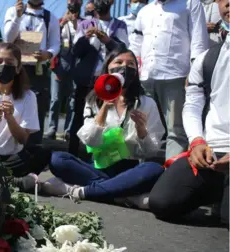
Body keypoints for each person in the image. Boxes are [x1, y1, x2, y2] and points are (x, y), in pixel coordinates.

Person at [48, 48, 165, 209]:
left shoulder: (146, 103)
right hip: (97, 167)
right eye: (118, 62)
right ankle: (123, 194)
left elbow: (150, 151)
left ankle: (82, 191)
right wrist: (103, 110)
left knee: (154, 169)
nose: (124, 67)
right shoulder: (94, 99)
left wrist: (141, 129)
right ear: (107, 68)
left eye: (131, 64)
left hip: (128, 171)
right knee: (58, 159)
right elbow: (90, 141)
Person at [149, 0, 229, 225]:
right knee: (162, 202)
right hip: (211, 153)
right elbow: (193, 104)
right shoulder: (207, 58)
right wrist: (196, 141)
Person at [129, 0, 209, 160]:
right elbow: (135, 44)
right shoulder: (145, 11)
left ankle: (171, 175)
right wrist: (133, 72)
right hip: (146, 78)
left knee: (176, 131)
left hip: (176, 76)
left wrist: (195, 73)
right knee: (144, 127)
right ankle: (144, 173)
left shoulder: (190, 4)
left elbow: (199, 40)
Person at [0, 42, 52, 192]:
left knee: (43, 153)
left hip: (13, 158)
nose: (3, 66)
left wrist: (10, 118)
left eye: (9, 63)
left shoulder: (29, 96)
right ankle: (11, 181)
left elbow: (23, 139)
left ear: (18, 68)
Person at [68, 0, 128, 157]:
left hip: (107, 81)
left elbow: (123, 50)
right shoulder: (85, 24)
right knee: (79, 116)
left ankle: (98, 157)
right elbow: (75, 51)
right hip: (86, 80)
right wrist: (85, 38)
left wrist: (107, 40)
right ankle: (73, 154)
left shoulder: (119, 25)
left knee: (104, 118)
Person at [3, 0, 61, 145]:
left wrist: (47, 54)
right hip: (16, 68)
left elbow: (55, 43)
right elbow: (8, 38)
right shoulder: (13, 11)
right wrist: (17, 16)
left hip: (37, 69)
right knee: (13, 104)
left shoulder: (50, 17)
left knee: (37, 107)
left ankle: (34, 148)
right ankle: (8, 144)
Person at [44, 0, 83, 141]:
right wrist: (63, 23)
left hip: (76, 66)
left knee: (72, 100)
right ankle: (52, 128)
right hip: (59, 64)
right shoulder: (58, 21)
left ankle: (68, 130)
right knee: (55, 98)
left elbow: (85, 40)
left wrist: (75, 24)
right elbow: (50, 39)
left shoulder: (83, 23)